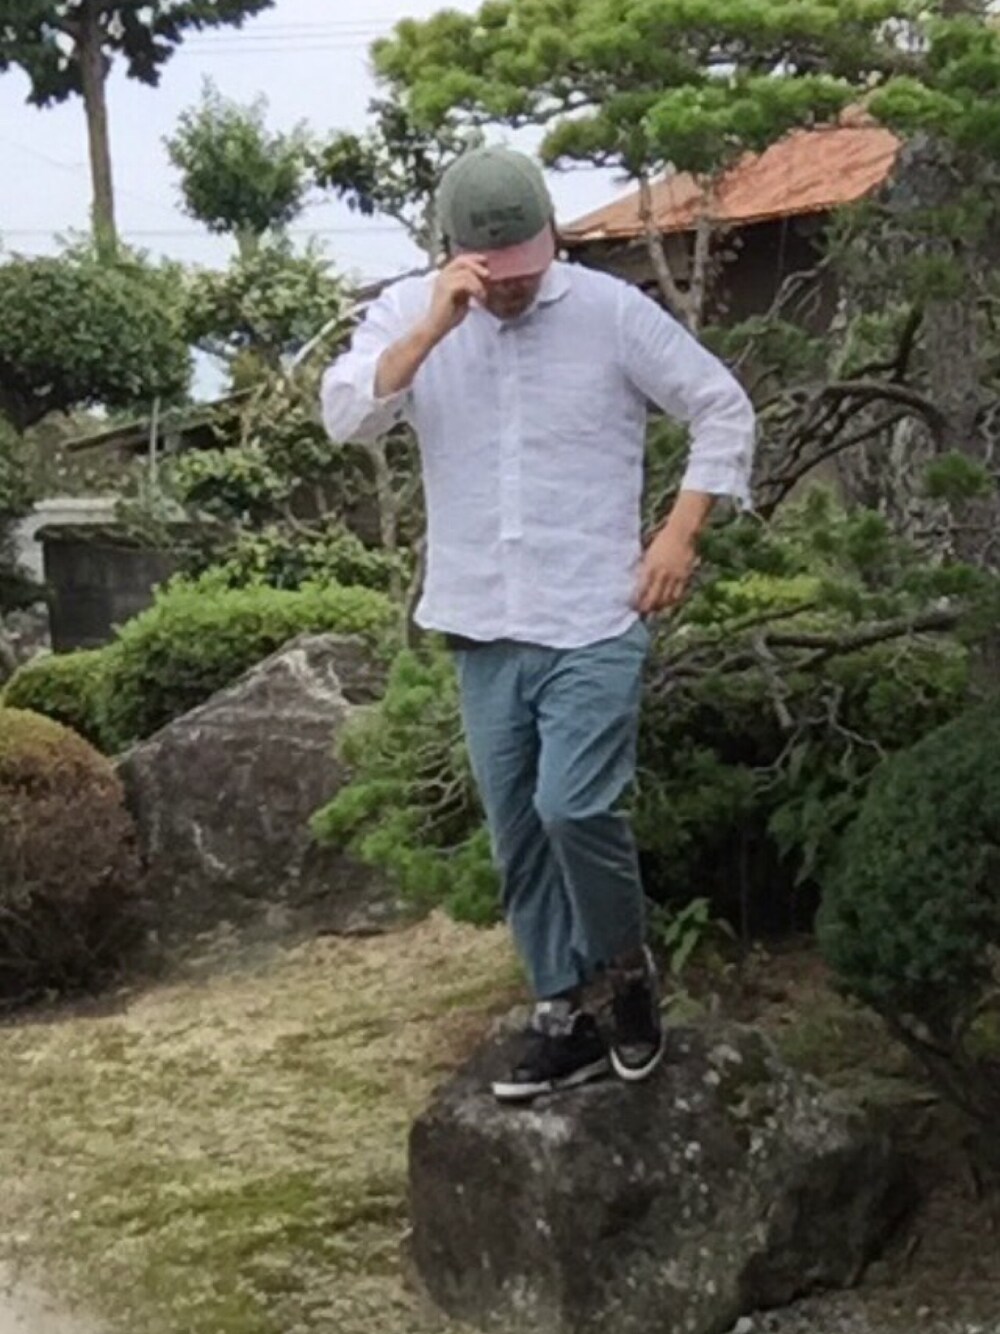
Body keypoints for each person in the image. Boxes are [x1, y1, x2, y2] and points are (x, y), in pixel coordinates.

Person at [322, 146, 755, 1103]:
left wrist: (679, 536)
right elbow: (347, 415)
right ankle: (564, 1011)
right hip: (481, 619)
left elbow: (721, 407)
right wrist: (434, 327)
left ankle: (628, 978)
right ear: (454, 254)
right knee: (518, 830)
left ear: (551, 236)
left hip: (595, 611)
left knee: (575, 807)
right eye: (496, 275)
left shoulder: (609, 312)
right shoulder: (411, 314)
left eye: (529, 265)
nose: (516, 288)